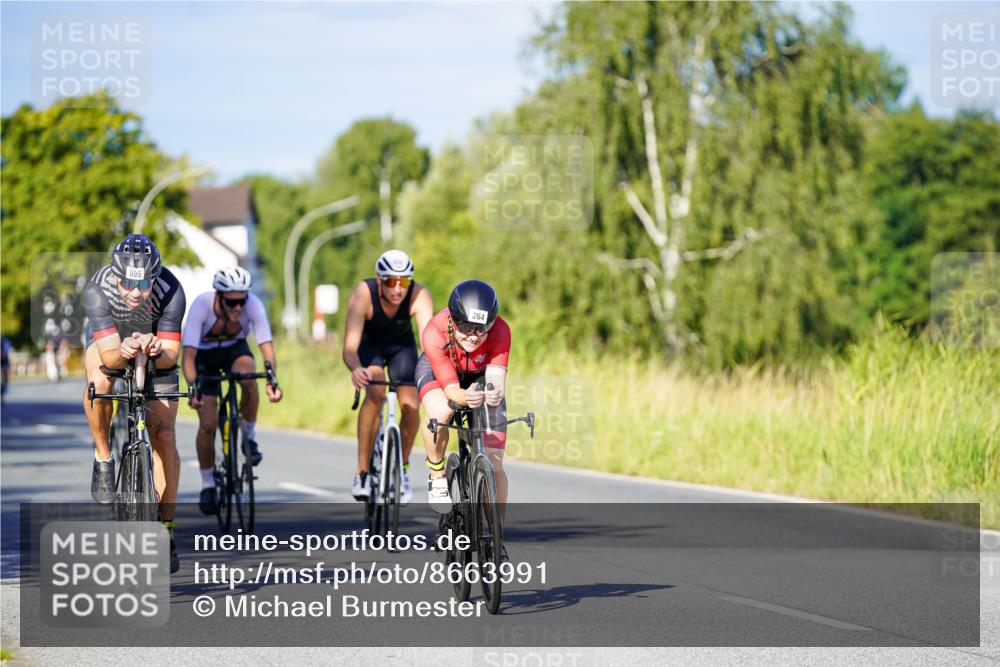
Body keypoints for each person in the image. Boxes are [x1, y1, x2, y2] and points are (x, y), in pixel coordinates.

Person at [82, 233, 185, 572]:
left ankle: (166, 529)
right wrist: (125, 350)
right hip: (111, 338)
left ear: (154, 277)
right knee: (99, 382)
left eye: (143, 283)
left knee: (165, 436)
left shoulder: (171, 290)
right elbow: (110, 357)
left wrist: (153, 349)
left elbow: (170, 357)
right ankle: (103, 457)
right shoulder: (98, 290)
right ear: (116, 276)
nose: (136, 291)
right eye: (128, 282)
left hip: (156, 340)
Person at [416, 279, 511, 552]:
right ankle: (437, 473)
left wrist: (493, 393)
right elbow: (452, 391)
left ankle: (496, 537)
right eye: (466, 327)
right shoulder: (434, 331)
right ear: (453, 319)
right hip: (440, 374)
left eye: (481, 328)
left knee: (494, 459)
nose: (473, 335)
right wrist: (466, 397)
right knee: (441, 411)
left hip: (478, 376)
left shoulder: (501, 330)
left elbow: (495, 378)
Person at [182, 266, 282, 515]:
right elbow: (188, 357)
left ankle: (249, 436)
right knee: (208, 424)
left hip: (234, 351)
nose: (238, 307)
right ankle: (207, 484)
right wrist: (193, 388)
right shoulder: (202, 306)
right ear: (218, 296)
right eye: (231, 302)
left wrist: (272, 380)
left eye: (242, 301)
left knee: (249, 377)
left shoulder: (253, 305)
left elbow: (266, 347)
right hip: (204, 358)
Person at [342, 250, 433, 504]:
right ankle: (362, 472)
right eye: (391, 281)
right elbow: (349, 348)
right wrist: (356, 369)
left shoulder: (419, 295)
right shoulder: (363, 293)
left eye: (404, 281)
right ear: (379, 280)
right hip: (369, 346)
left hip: (401, 347)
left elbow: (429, 343)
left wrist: (433, 371)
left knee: (411, 406)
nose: (398, 289)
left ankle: (401, 470)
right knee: (375, 391)